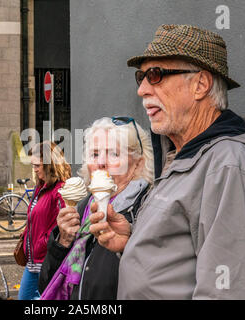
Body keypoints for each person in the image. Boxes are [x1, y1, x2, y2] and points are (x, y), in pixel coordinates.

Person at [89, 24, 245, 299]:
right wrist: (131, 243)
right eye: (140, 77)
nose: (142, 89)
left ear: (200, 85)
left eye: (155, 75)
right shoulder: (186, 157)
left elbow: (228, 291)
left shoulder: (228, 166)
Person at [39, 117, 154, 300]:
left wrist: (127, 246)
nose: (101, 162)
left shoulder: (149, 209)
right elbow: (46, 284)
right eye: (94, 154)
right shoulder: (83, 208)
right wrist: (61, 242)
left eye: (114, 154)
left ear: (138, 163)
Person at [18, 141, 71, 300]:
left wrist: (42, 243)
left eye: (37, 165)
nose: (34, 170)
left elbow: (62, 226)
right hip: (33, 262)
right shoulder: (40, 187)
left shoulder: (61, 190)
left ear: (50, 164)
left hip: (47, 260)